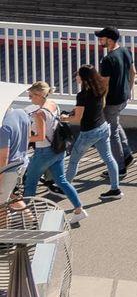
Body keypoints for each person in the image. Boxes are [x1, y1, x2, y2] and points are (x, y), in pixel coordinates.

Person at [13, 84, 84, 225]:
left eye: (31, 95)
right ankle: (79, 209)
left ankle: (28, 218)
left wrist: (23, 137)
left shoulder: (39, 114)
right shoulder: (53, 104)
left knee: (30, 183)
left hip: (44, 152)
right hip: (57, 149)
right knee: (62, 181)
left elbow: (40, 137)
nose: (29, 98)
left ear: (39, 95)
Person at [64, 66, 119, 200]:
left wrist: (65, 118)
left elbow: (77, 119)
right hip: (103, 127)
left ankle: (64, 187)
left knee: (74, 160)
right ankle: (115, 189)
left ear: (83, 78)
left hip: (89, 132)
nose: (76, 77)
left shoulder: (82, 95)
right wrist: (76, 111)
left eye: (78, 75)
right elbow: (94, 107)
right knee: (109, 158)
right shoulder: (100, 89)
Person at [94, 25, 135, 175]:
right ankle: (127, 155)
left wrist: (101, 102)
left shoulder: (107, 59)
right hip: (123, 97)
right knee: (115, 125)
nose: (100, 40)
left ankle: (119, 167)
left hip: (111, 101)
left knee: (111, 133)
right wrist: (128, 90)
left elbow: (104, 84)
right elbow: (133, 72)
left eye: (102, 38)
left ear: (110, 40)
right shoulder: (125, 51)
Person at [0, 95, 27, 207]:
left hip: (8, 170)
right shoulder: (21, 113)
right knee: (10, 197)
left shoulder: (3, 127)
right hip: (22, 163)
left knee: (1, 204)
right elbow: (28, 137)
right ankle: (31, 217)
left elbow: (3, 158)